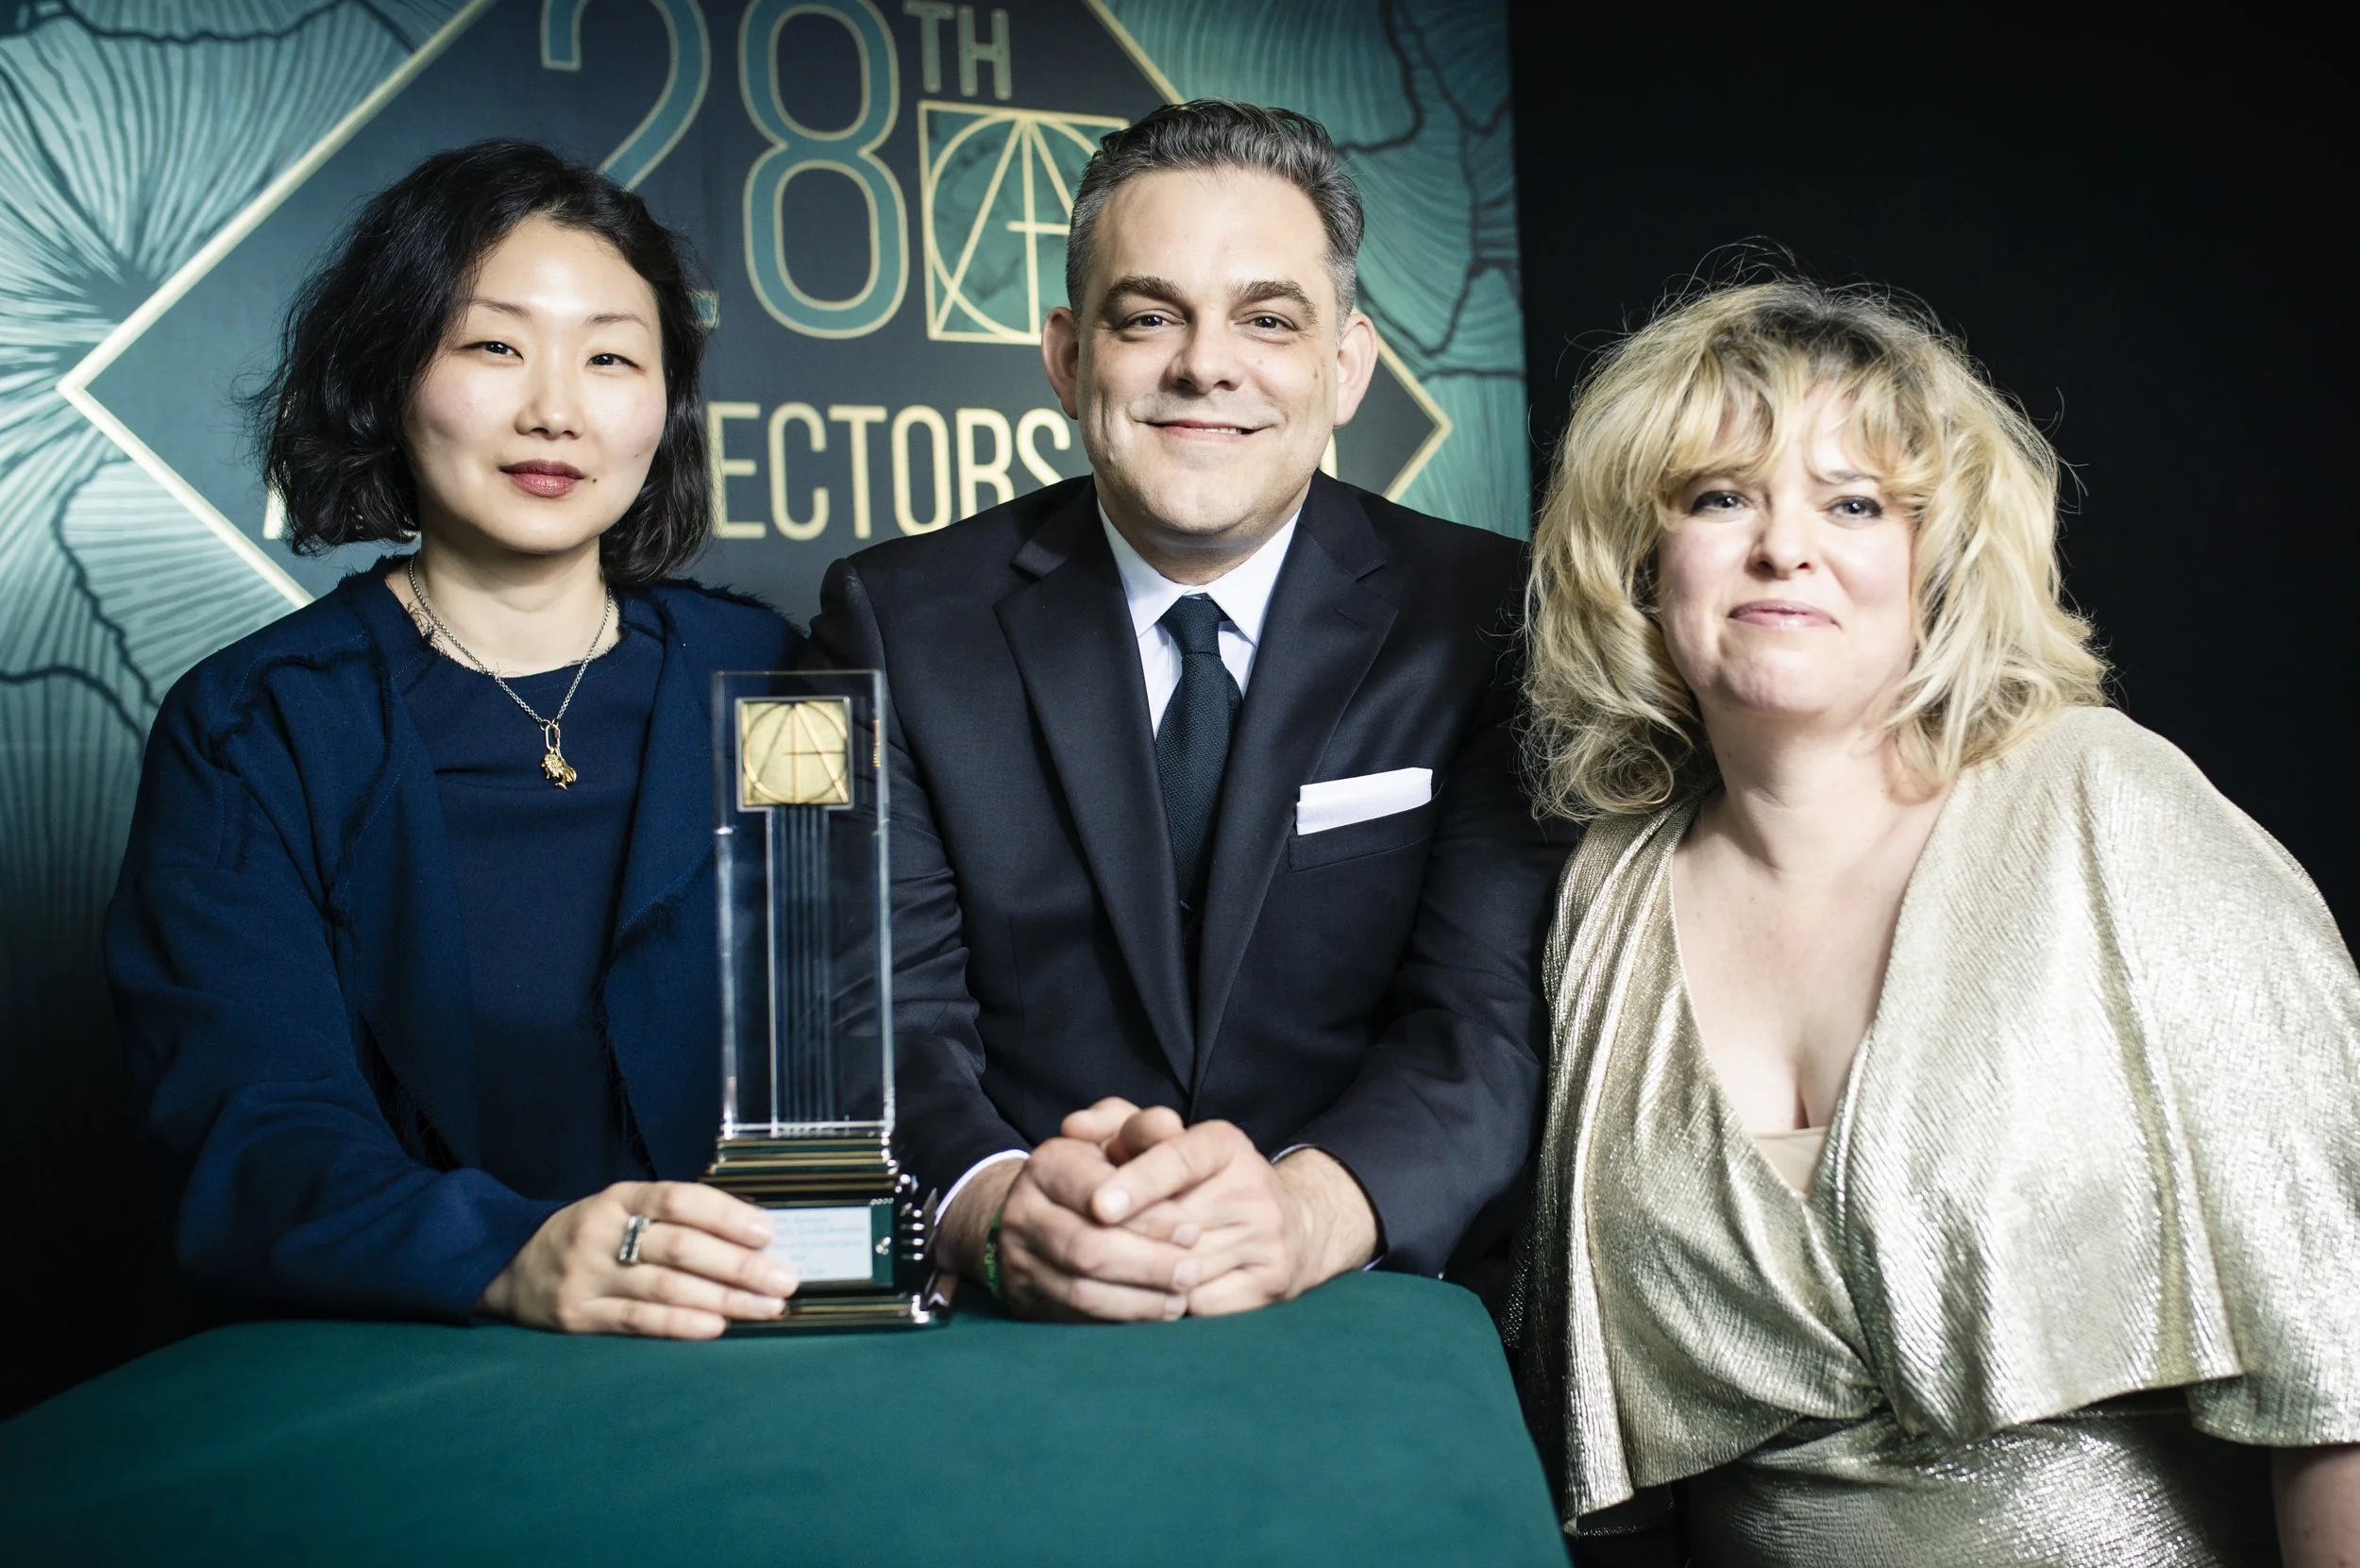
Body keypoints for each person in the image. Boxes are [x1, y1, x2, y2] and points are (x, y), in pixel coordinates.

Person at [1507, 278, 2360, 1568]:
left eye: (1854, 504)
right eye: (1722, 496)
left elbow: (2338, 1353)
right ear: (1642, 558)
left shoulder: (2108, 810)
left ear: (1939, 562)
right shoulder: (1604, 898)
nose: (1784, 547)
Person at [806, 101, 1564, 1322]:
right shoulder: (894, 625)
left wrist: (1303, 1214)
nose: (1205, 363)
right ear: (1066, 356)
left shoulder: (1493, 618)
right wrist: (1001, 1209)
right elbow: (876, 1015)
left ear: (1347, 367)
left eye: (1267, 320)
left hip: (1374, 1315)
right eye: (1149, 316)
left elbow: (1484, 1027)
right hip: (1016, 1326)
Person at [108, 141, 804, 1340]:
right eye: (494, 345)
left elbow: (881, 1025)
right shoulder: (258, 727)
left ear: (666, 406)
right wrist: (509, 1254)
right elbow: (256, 1129)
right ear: (388, 375)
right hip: (423, 1367)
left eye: (611, 357)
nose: (555, 409)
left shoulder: (776, 683)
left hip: (778, 1351)